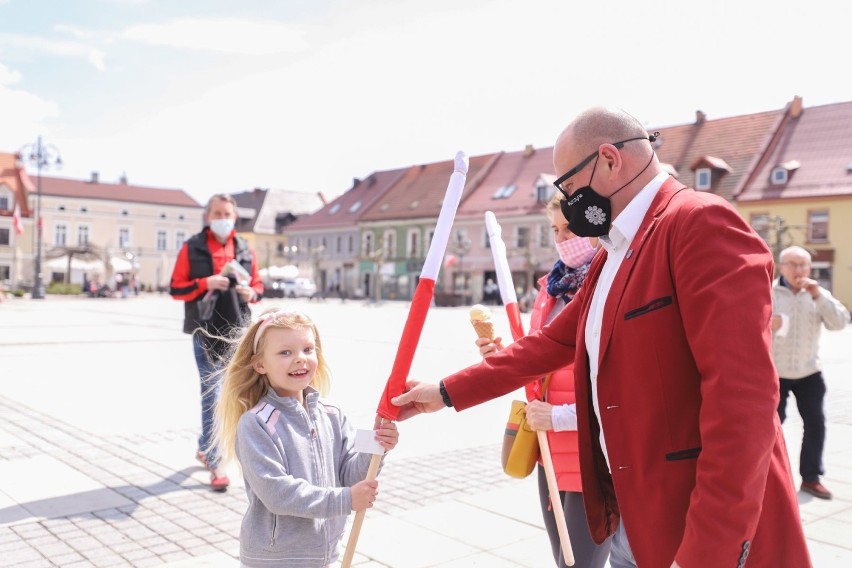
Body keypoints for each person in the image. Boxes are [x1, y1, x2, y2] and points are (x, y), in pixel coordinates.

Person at [392, 107, 812, 567]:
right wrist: (447, 391)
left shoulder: (699, 223)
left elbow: (743, 403)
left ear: (610, 160)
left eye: (570, 186)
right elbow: (551, 344)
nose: (570, 202)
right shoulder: (618, 247)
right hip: (649, 516)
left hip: (707, 529)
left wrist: (707, 554)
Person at [478, 192, 609, 568]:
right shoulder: (551, 289)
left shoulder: (611, 285)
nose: (563, 237)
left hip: (591, 451)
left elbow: (621, 385)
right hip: (548, 446)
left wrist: (560, 416)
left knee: (579, 563)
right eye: (555, 229)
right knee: (562, 559)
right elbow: (541, 354)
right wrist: (505, 356)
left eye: (570, 227)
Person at [213, 309, 399, 567]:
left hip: (325, 555)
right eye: (285, 352)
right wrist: (345, 500)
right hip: (276, 560)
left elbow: (351, 477)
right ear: (260, 364)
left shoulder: (333, 416)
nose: (300, 359)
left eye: (308, 350)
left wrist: (377, 444)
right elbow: (277, 493)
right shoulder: (256, 423)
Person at [169, 193, 264, 491]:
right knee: (213, 395)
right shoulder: (192, 247)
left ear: (235, 217)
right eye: (217, 213)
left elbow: (259, 285)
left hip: (239, 330)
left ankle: (207, 446)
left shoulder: (245, 248)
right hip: (205, 330)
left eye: (228, 213)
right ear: (208, 216)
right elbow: (175, 288)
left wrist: (253, 293)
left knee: (242, 394)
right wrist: (205, 283)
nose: (223, 218)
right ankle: (216, 460)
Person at [771, 245, 849, 500]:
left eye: (803, 265)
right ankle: (770, 479)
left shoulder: (818, 293)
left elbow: (839, 324)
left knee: (815, 424)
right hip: (775, 373)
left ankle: (811, 478)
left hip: (809, 372)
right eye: (792, 264)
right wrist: (768, 323)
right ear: (782, 266)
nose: (798, 270)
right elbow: (748, 325)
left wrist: (818, 295)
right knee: (771, 428)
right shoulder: (768, 291)